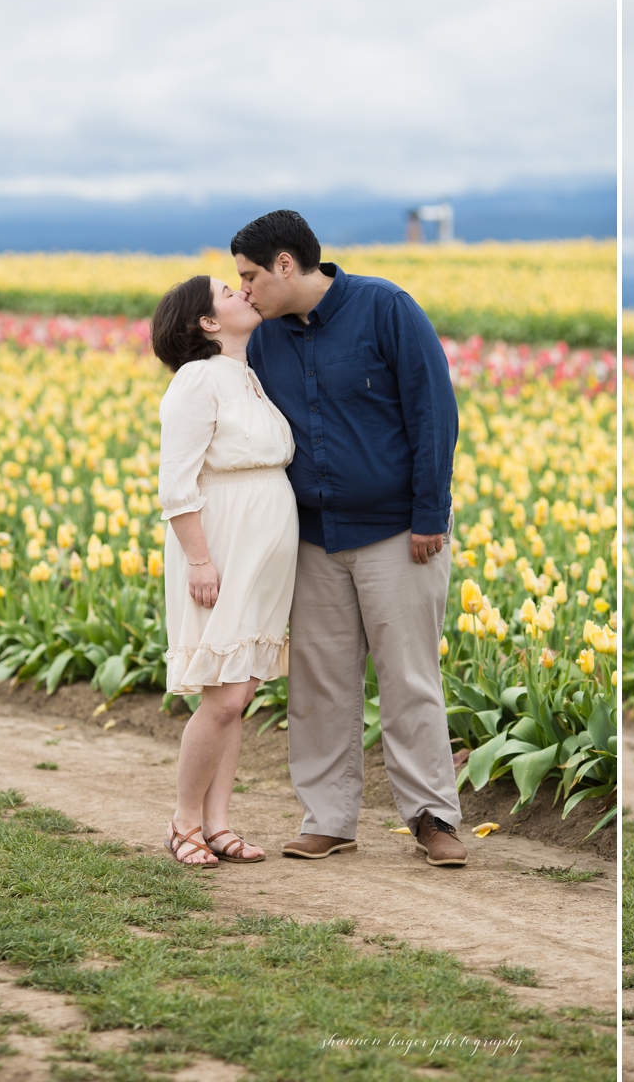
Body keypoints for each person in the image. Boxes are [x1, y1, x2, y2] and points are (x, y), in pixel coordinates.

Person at [235, 210, 466, 867]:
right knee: (319, 685)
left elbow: (433, 410)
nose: (244, 290)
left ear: (285, 264)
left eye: (250, 276)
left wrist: (430, 513)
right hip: (311, 538)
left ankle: (433, 818)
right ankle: (329, 819)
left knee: (409, 679)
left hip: (399, 532)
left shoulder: (386, 308)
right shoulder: (263, 339)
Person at [153, 275, 299, 867]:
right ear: (207, 322)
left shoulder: (247, 374)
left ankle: (217, 824)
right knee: (223, 696)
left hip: (262, 553)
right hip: (221, 546)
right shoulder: (197, 379)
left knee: (238, 691)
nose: (242, 291)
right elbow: (176, 482)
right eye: (226, 291)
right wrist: (199, 560)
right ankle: (184, 822)